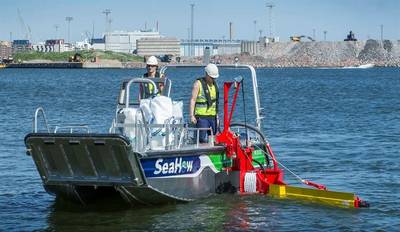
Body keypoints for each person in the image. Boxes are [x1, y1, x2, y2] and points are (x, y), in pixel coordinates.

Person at [190, 63, 219, 143]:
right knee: (201, 138)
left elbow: (215, 102)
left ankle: (212, 152)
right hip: (202, 117)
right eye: (212, 78)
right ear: (206, 74)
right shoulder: (198, 84)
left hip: (213, 116)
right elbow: (193, 100)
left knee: (214, 139)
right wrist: (192, 115)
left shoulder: (214, 85)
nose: (213, 79)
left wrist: (217, 117)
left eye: (214, 78)